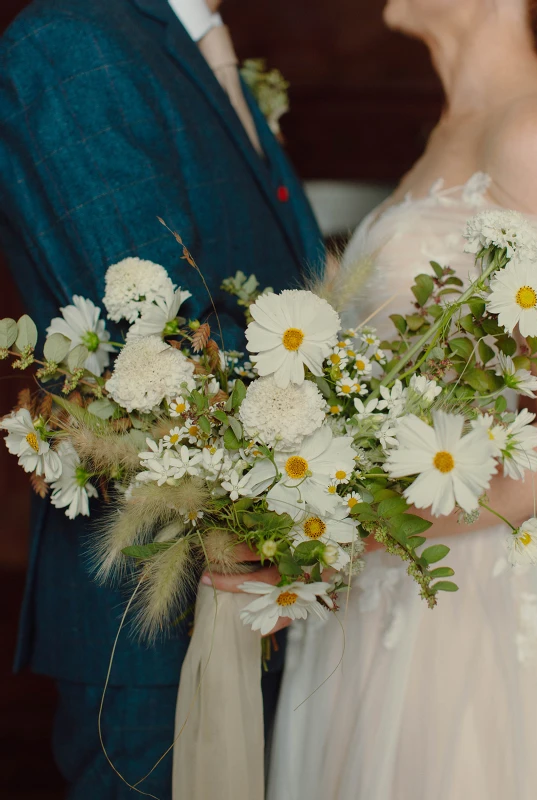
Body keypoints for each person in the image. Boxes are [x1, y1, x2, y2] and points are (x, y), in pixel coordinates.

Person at [264, 1, 537, 797]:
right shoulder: (453, 129)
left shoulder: (534, 136)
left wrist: (357, 521)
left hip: (450, 620)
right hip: (364, 605)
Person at [0, 0, 323, 796]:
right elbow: (155, 344)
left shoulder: (194, 42)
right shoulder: (68, 38)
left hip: (270, 584)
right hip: (157, 613)